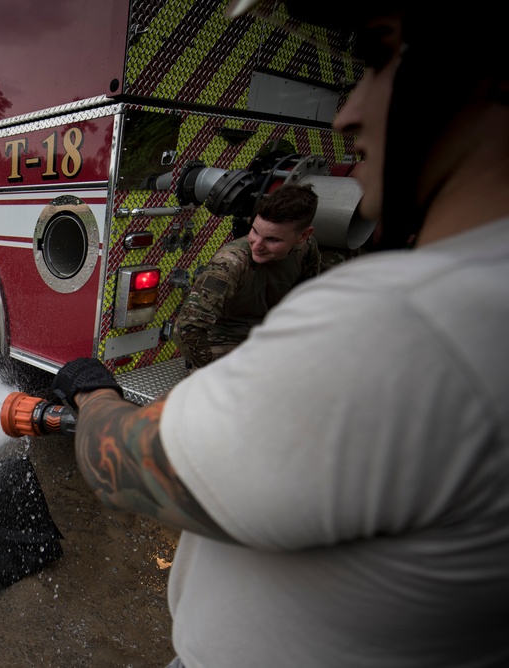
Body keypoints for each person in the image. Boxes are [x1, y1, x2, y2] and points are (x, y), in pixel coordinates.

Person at [50, 1, 509, 665]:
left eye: (380, 60)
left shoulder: (402, 320)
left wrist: (94, 393)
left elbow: (121, 470)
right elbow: (200, 326)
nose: (348, 115)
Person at [175, 183, 320, 368]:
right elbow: (188, 328)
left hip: (268, 339)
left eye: (272, 239)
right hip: (224, 343)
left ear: (303, 236)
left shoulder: (306, 249)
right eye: (254, 231)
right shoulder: (230, 264)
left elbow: (305, 304)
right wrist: (211, 370)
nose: (257, 245)